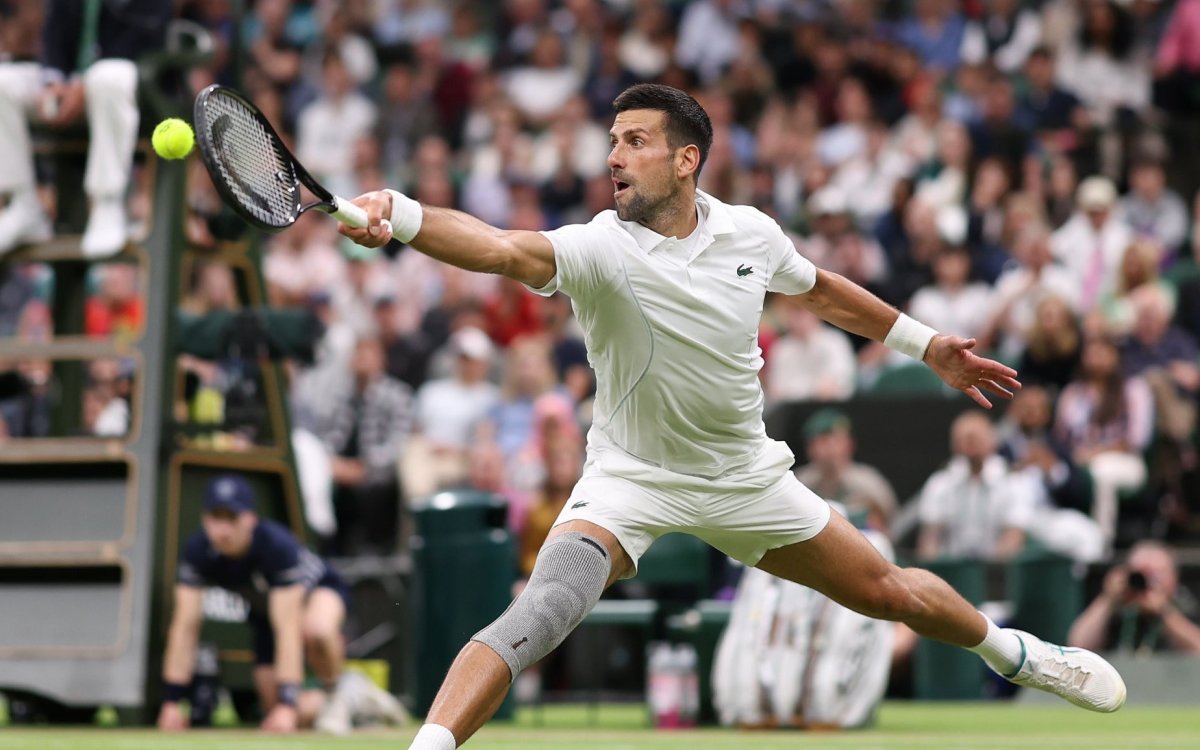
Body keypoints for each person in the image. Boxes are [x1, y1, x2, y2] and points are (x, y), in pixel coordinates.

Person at [339, 84, 1125, 750]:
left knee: (889, 592)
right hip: (630, 479)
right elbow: (500, 248)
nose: (613, 156)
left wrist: (926, 347)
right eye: (613, 141)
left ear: (686, 160)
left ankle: (1018, 654)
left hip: (743, 474)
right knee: (545, 607)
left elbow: (819, 290)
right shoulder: (598, 248)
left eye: (636, 141)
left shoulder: (751, 232)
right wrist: (402, 215)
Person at [157, 475, 406, 734]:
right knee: (277, 712)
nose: (223, 530)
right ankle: (357, 695)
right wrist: (171, 702)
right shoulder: (198, 551)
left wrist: (287, 704)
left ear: (250, 519)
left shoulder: (276, 546)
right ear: (204, 519)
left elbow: (288, 627)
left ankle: (334, 693)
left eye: (232, 518)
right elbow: (184, 627)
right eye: (215, 518)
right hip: (266, 618)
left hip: (319, 594)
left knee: (316, 629)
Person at [0, 0, 169, 257]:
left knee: (107, 77)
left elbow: (142, 39)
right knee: (4, 83)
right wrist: (52, 81)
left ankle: (107, 203)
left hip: (132, 82)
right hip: (72, 84)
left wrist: (84, 85)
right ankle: (23, 203)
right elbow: (56, 30)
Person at [1068, 541, 1200, 655]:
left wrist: (1164, 613)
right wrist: (1108, 599)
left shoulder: (1186, 607)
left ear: (1174, 579)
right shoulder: (1117, 612)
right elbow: (1078, 648)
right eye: (1141, 574)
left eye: (1156, 574)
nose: (1147, 582)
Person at [792, 408, 897, 532]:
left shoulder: (868, 483)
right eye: (820, 441)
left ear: (849, 443)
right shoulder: (798, 483)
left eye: (834, 440)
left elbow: (889, 525)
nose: (828, 447)